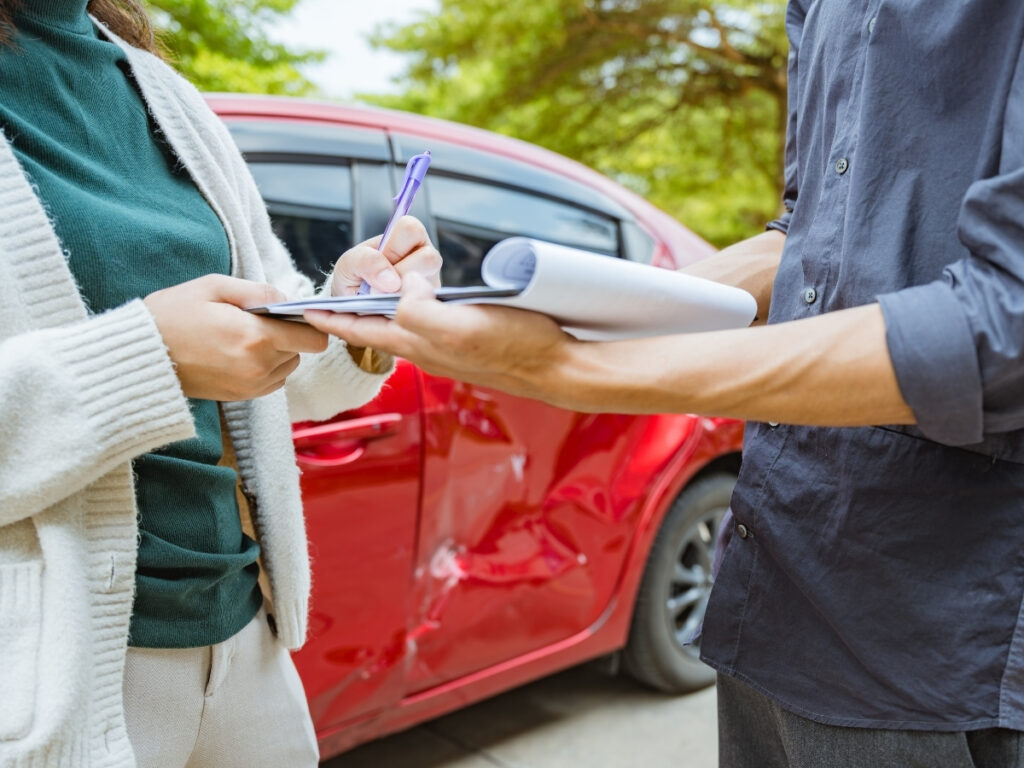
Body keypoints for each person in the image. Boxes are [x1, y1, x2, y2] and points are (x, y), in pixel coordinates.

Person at [308, 2, 1024, 766]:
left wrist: (571, 368)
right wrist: (596, 313)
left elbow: (1003, 319)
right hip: (774, 588)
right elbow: (810, 236)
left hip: (935, 636)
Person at [0, 1, 441, 766]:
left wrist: (352, 311)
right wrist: (148, 356)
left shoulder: (159, 88)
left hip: (243, 636)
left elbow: (268, 365)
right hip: (47, 679)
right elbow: (173, 350)